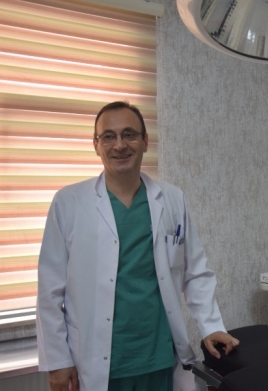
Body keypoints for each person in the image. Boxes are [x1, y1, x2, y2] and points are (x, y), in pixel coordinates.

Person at [36, 101, 239, 391]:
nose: (120, 145)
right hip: (97, 361)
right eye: (108, 136)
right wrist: (57, 360)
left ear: (145, 141)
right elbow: (50, 290)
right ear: (96, 145)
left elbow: (195, 272)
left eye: (129, 134)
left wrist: (212, 326)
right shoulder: (69, 202)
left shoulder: (171, 198)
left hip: (159, 357)